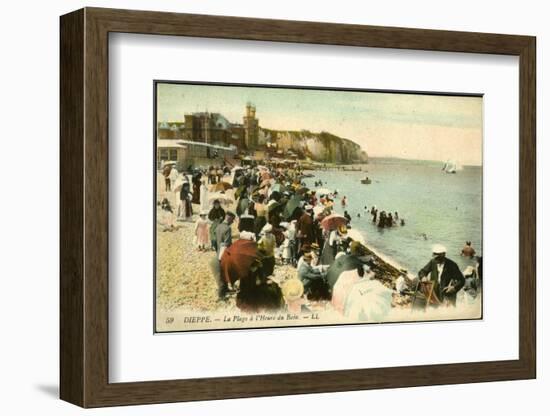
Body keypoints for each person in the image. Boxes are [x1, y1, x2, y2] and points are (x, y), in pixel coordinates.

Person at [215, 212, 236, 299]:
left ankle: (226, 289)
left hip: (219, 251)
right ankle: (221, 294)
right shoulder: (227, 228)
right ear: (229, 218)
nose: (232, 222)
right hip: (225, 252)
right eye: (232, 220)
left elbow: (215, 240)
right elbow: (227, 243)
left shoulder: (218, 226)